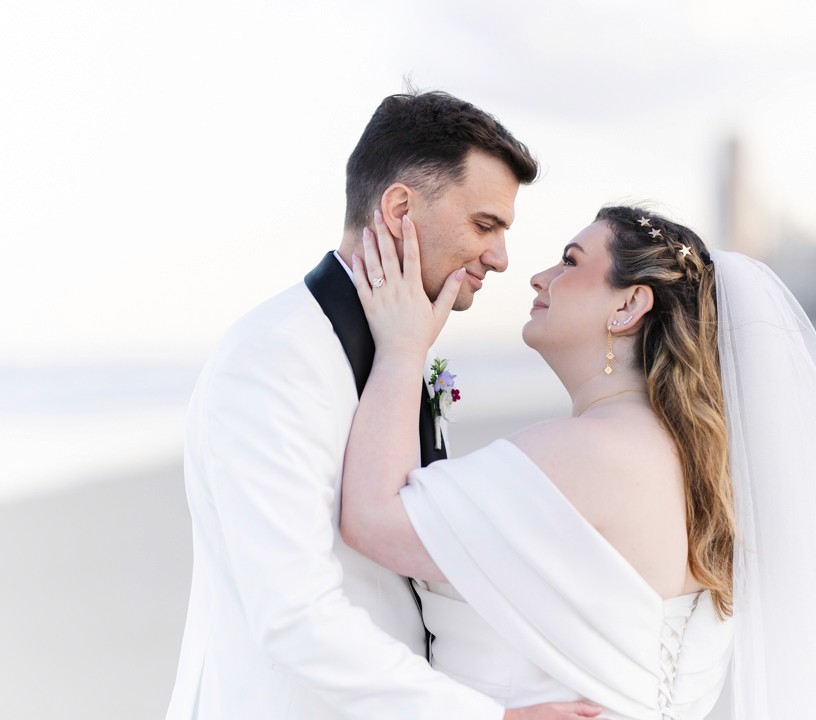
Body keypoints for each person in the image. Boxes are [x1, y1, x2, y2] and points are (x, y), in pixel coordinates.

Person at [340, 205, 816, 719]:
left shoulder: (593, 454)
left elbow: (373, 519)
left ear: (630, 304)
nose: (538, 277)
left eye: (570, 261)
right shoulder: (697, 471)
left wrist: (401, 350)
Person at [166, 90, 602, 720]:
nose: (502, 258)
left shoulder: (404, 348)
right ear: (399, 208)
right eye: (486, 225)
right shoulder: (274, 357)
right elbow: (293, 616)